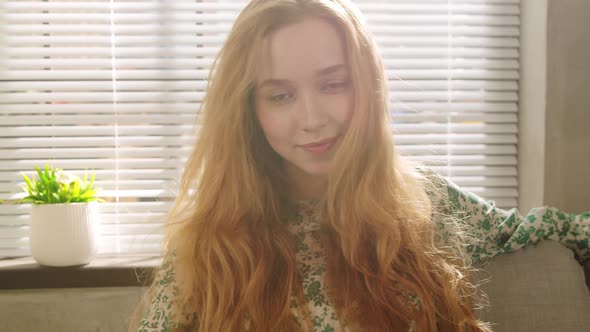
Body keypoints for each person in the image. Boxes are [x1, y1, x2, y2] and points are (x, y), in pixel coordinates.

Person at [130, 0, 590, 331]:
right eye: (281, 95)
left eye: (334, 85)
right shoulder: (212, 240)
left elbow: (544, 230)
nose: (312, 119)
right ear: (249, 110)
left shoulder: (424, 200)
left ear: (367, 86)